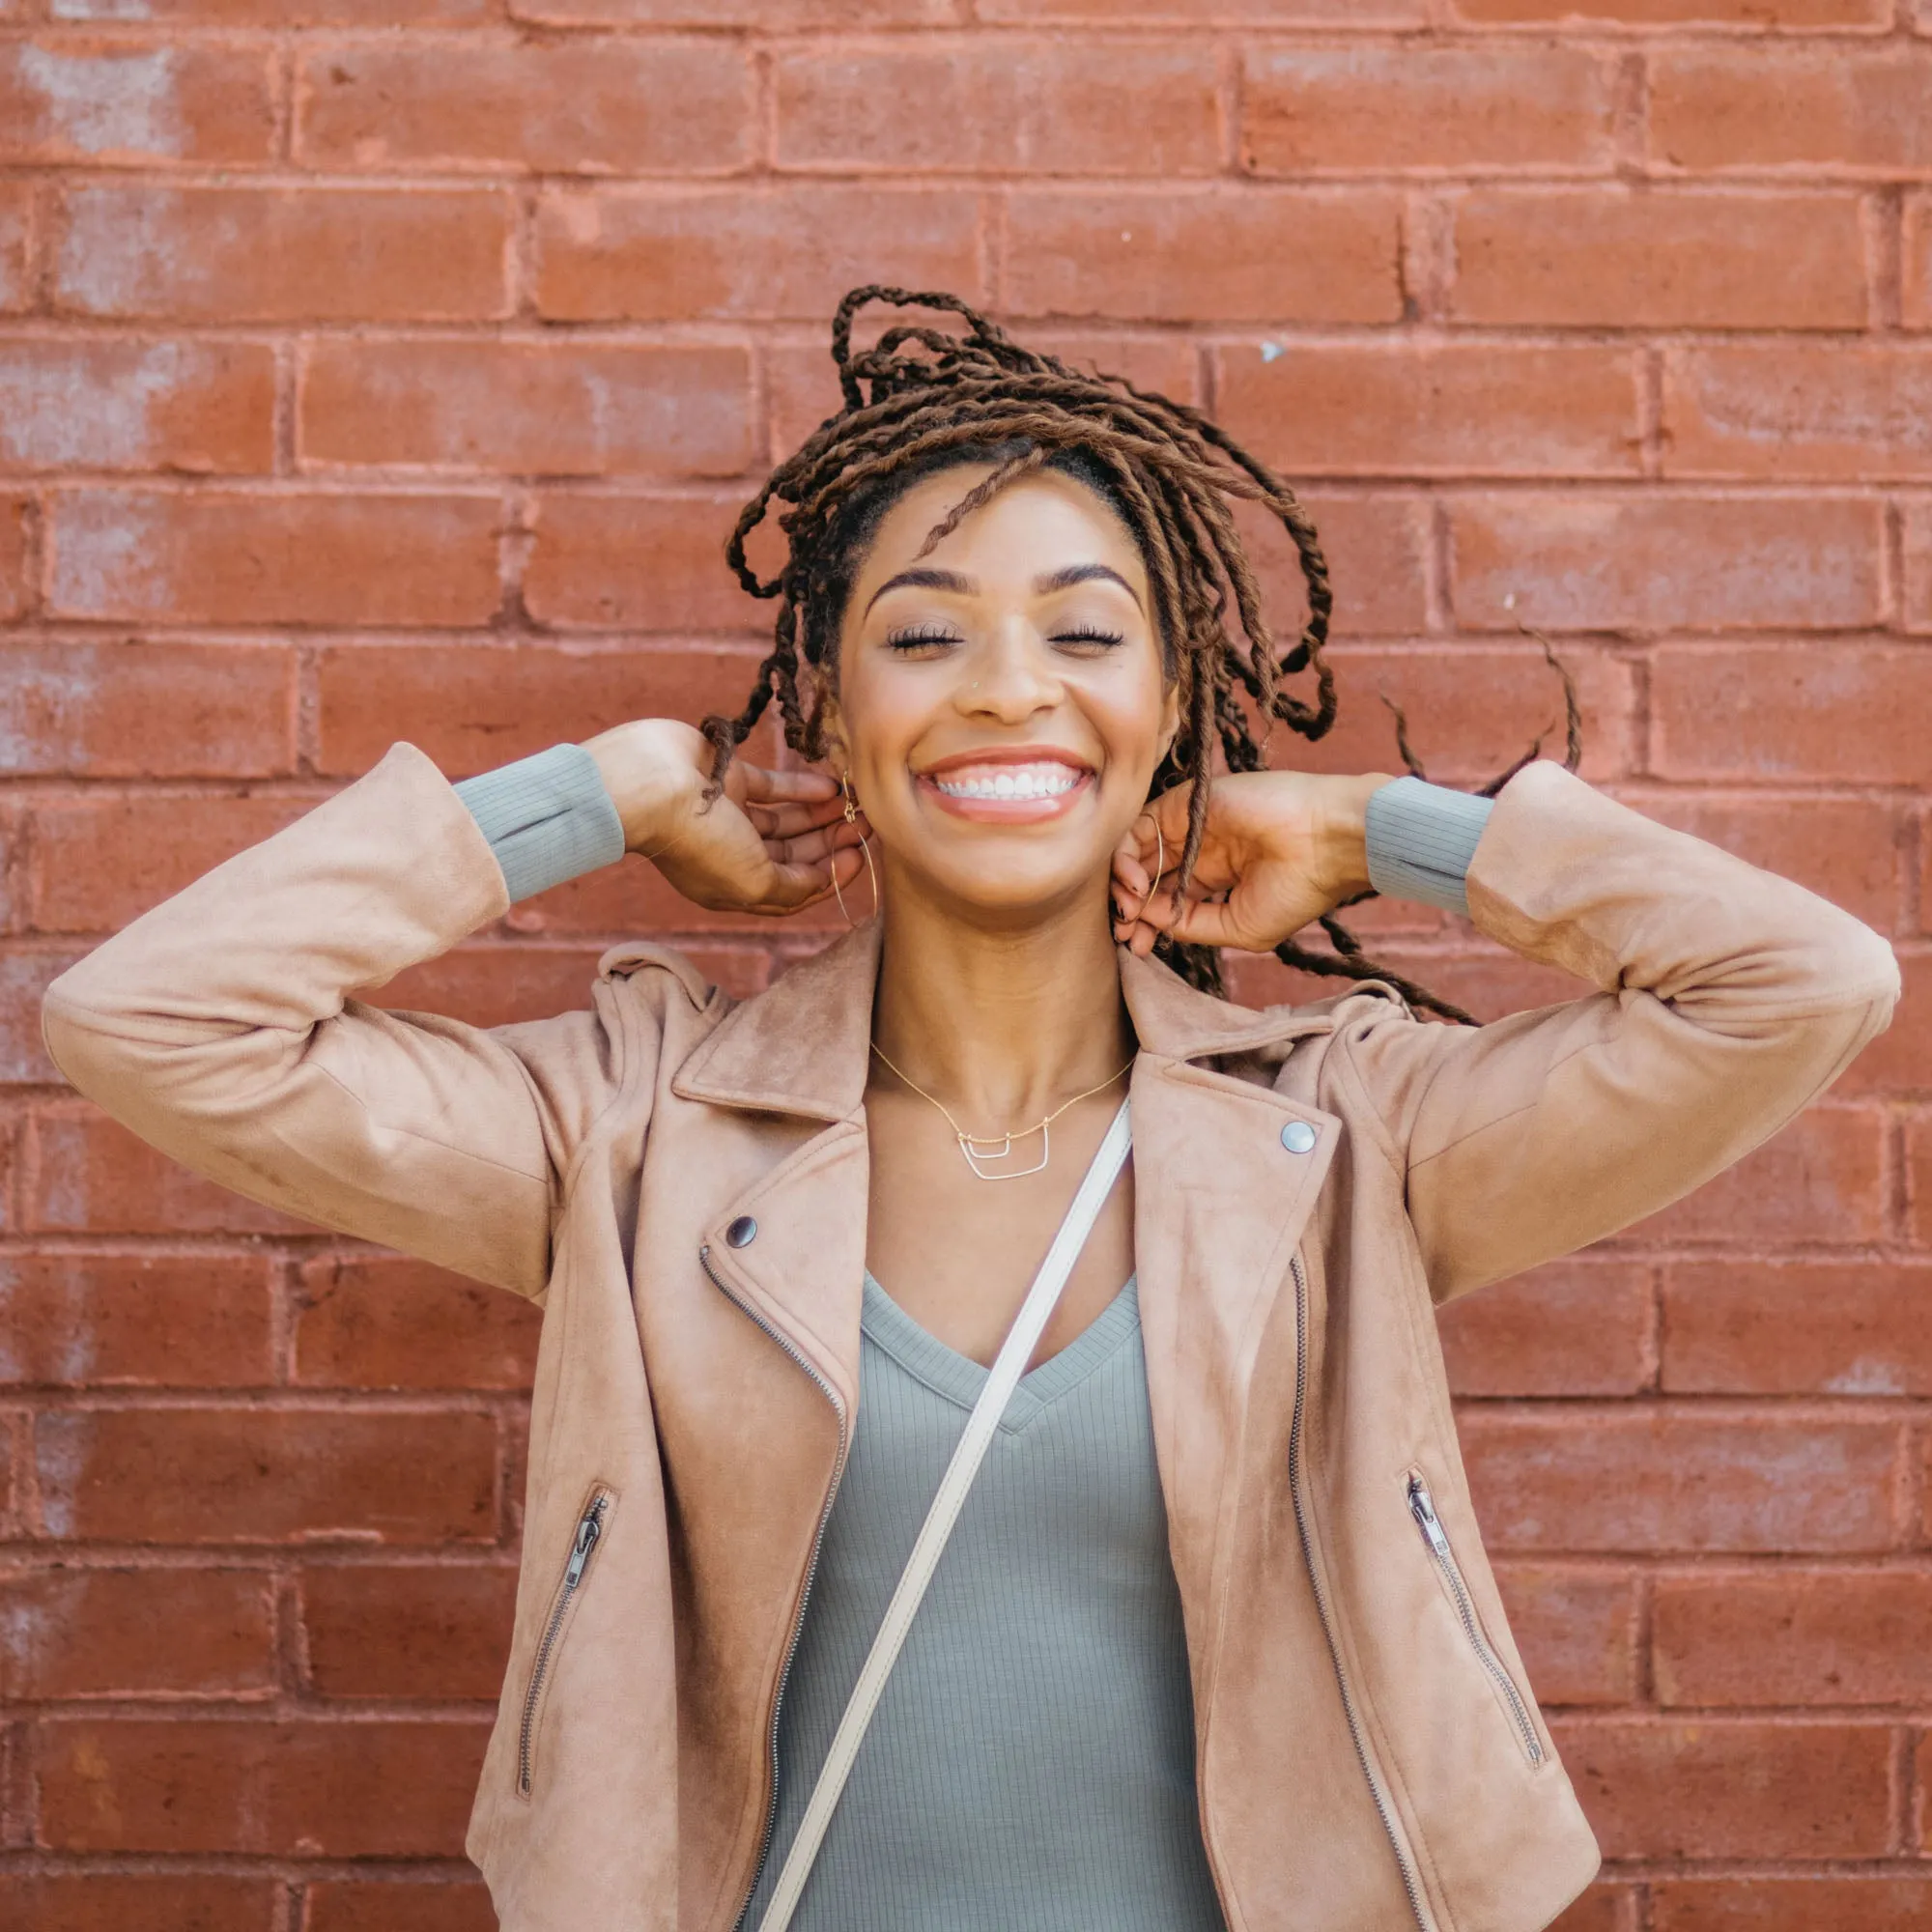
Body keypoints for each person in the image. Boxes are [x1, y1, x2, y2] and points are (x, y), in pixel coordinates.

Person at [42, 289, 1896, 1932]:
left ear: (1170, 709)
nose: (1011, 688)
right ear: (833, 717)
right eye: (925, 638)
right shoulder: (629, 1128)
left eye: (1088, 639)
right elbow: (155, 1019)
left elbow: (1801, 985)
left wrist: (1376, 827)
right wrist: (600, 791)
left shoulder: (1349, 1141)